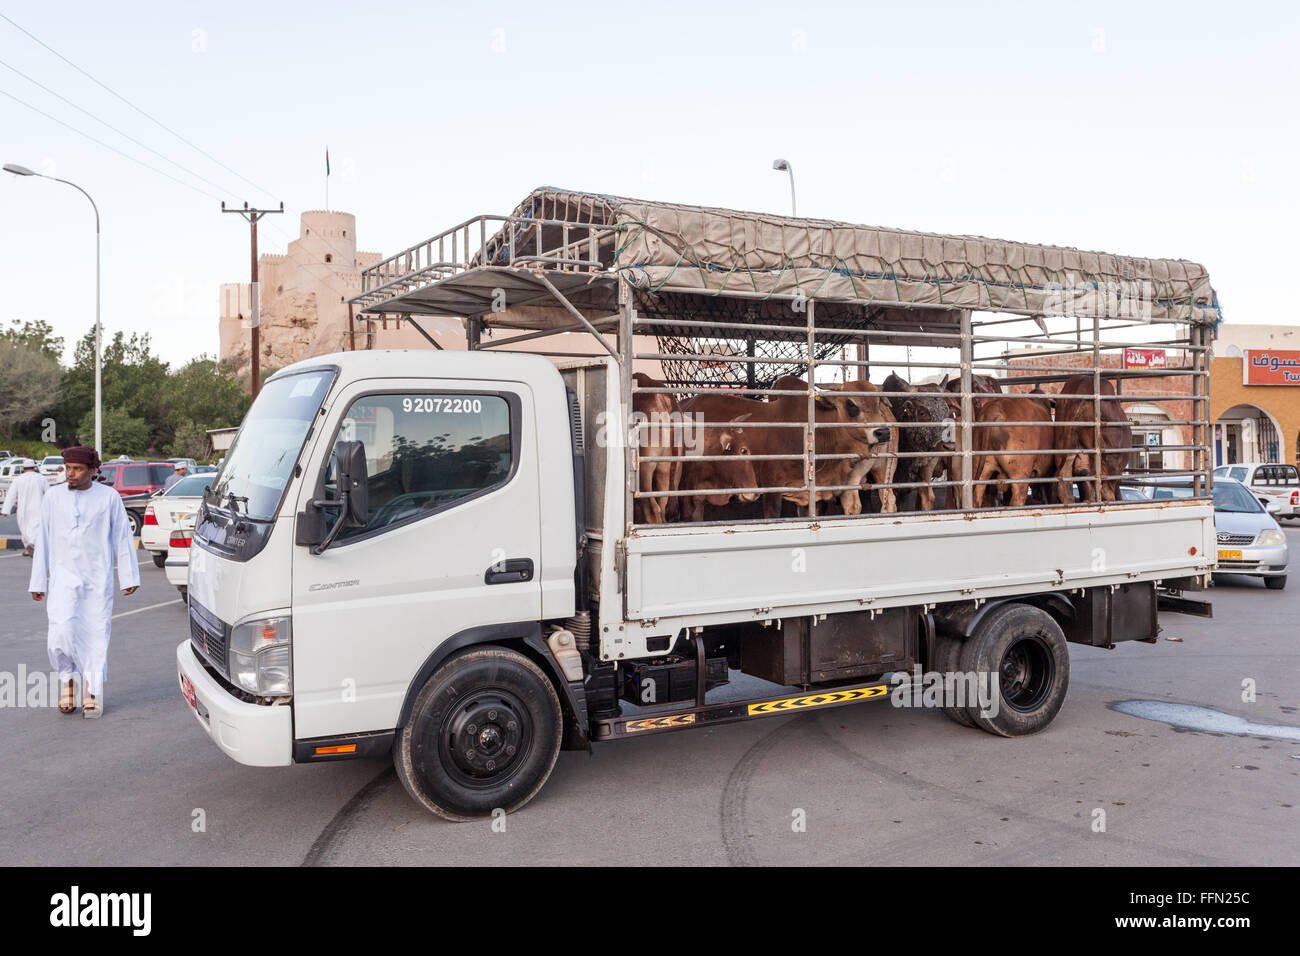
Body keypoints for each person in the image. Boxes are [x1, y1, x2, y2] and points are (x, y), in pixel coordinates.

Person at [29, 446, 139, 717]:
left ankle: (91, 691)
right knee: (60, 633)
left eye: (77, 469)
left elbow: (122, 539)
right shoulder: (53, 497)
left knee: (94, 635)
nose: (71, 474)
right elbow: (42, 539)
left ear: (92, 470)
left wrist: (128, 576)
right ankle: (67, 679)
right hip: (62, 578)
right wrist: (38, 581)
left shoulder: (108, 497)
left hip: (96, 580)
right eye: (68, 468)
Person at [2, 460, 46, 556]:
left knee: (24, 527)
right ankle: (31, 545)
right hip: (38, 507)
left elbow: (11, 495)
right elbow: (49, 493)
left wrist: (5, 510)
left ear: (23, 468)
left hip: (23, 508)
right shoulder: (41, 478)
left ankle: (29, 545)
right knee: (36, 527)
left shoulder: (18, 479)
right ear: (34, 468)